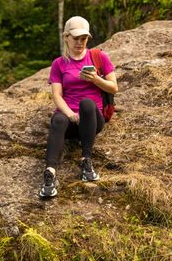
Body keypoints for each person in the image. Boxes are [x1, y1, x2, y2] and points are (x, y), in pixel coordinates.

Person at [39, 16, 118, 198]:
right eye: (75, 38)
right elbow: (57, 95)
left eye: (83, 39)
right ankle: (49, 175)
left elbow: (114, 87)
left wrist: (96, 79)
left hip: (92, 119)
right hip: (70, 118)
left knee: (87, 103)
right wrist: (70, 114)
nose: (79, 43)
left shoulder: (99, 56)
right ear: (66, 37)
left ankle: (86, 161)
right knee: (58, 119)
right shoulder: (58, 64)